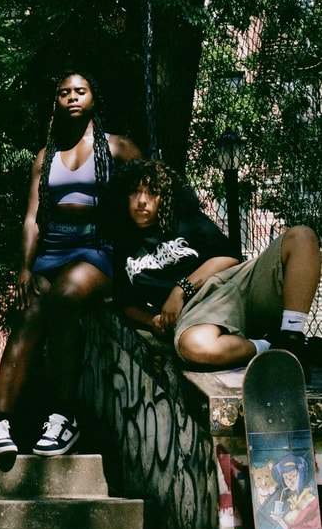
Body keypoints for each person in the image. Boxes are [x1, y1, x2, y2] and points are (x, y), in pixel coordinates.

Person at [0, 71, 142, 468]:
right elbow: (31, 219)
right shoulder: (46, 156)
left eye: (80, 91)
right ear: (55, 101)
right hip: (52, 247)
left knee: (66, 296)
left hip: (96, 249)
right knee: (27, 311)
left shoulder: (118, 148)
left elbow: (150, 192)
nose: (72, 97)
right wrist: (24, 268)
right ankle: (1, 423)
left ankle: (63, 416)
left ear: (93, 98)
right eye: (63, 92)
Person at [111, 158, 319, 376]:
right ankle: (274, 348)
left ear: (164, 198)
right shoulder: (125, 246)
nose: (142, 201)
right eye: (135, 192)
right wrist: (152, 320)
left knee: (301, 236)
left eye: (152, 192)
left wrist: (181, 288)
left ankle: (293, 338)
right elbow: (126, 303)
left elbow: (229, 258)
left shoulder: (186, 221)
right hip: (199, 313)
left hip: (237, 283)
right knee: (194, 346)